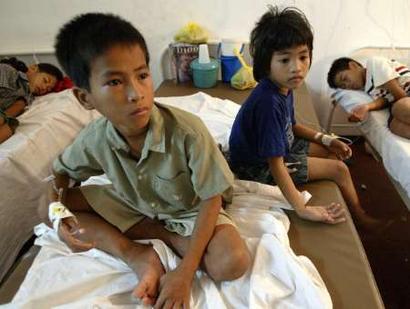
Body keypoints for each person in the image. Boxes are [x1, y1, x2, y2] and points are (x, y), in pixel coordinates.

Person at [41, 13, 251, 308]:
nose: (136, 93)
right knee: (51, 207)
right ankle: (137, 254)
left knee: (232, 262)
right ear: (85, 98)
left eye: (142, 75)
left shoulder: (188, 132)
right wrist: (57, 210)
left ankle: (168, 237)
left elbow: (211, 200)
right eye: (115, 81)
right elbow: (59, 175)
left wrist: (184, 273)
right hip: (135, 203)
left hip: (189, 210)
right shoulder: (95, 138)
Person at [228, 6, 383, 229]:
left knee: (330, 151)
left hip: (275, 149)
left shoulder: (283, 86)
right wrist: (301, 208)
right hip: (256, 167)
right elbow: (275, 164)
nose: (297, 68)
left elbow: (293, 126)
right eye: (285, 60)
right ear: (266, 63)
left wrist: (328, 139)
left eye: (303, 57)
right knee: (339, 169)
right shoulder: (268, 103)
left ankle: (348, 197)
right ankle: (361, 218)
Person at [327, 56, 410, 139]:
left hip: (406, 92)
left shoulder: (374, 64)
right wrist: (366, 107)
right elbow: (386, 100)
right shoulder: (370, 90)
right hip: (403, 100)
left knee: (399, 106)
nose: (347, 85)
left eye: (345, 78)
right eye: (344, 86)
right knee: (394, 126)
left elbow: (399, 94)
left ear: (353, 65)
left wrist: (397, 107)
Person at [0, 57, 63, 143]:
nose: (44, 88)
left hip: (4, 114)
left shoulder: (28, 97)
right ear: (33, 68)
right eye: (45, 80)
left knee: (10, 127)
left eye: (48, 89)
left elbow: (9, 114)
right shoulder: (8, 71)